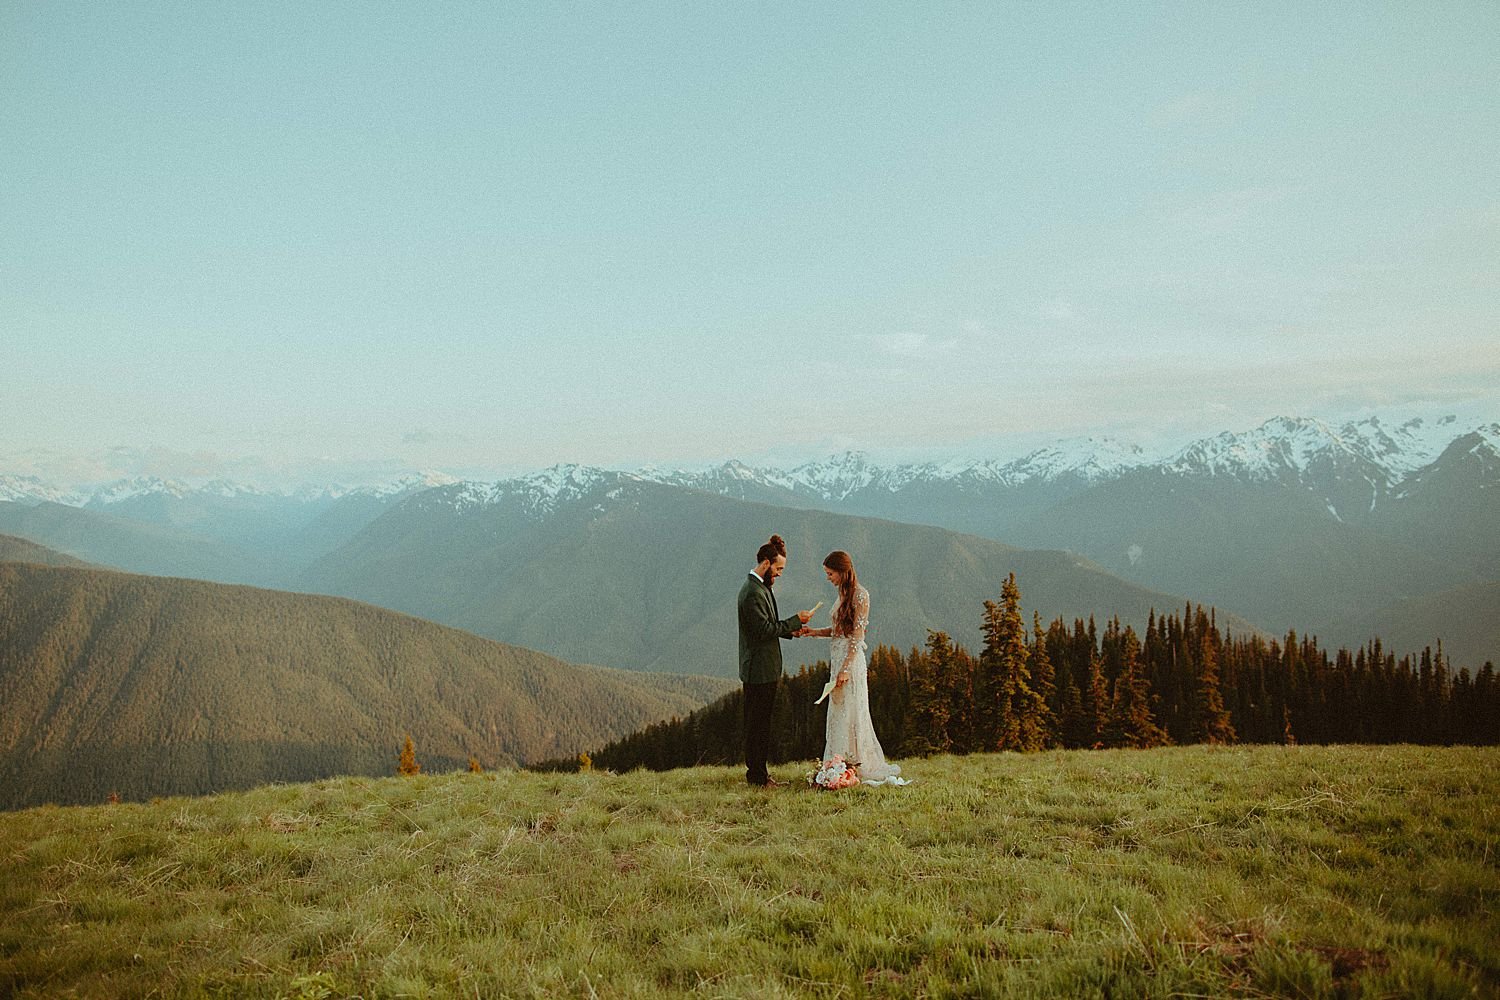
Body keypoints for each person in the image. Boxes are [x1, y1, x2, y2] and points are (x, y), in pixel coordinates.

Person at [800, 551, 908, 786]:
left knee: (853, 711)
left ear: (841, 571)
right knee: (839, 712)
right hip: (837, 660)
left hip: (850, 662)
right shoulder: (842, 594)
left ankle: (857, 762)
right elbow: (839, 630)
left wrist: (846, 669)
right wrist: (814, 633)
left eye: (830, 573)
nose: (828, 578)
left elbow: (857, 637)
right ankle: (839, 762)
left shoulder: (861, 595)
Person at [736, 534, 815, 787]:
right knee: (757, 727)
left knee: (761, 725)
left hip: (765, 669)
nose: (780, 573)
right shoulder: (752, 593)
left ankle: (760, 775)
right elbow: (763, 630)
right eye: (778, 568)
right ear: (766, 563)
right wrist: (794, 621)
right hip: (758, 670)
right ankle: (757, 778)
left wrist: (791, 632)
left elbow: (769, 627)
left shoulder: (761, 588)